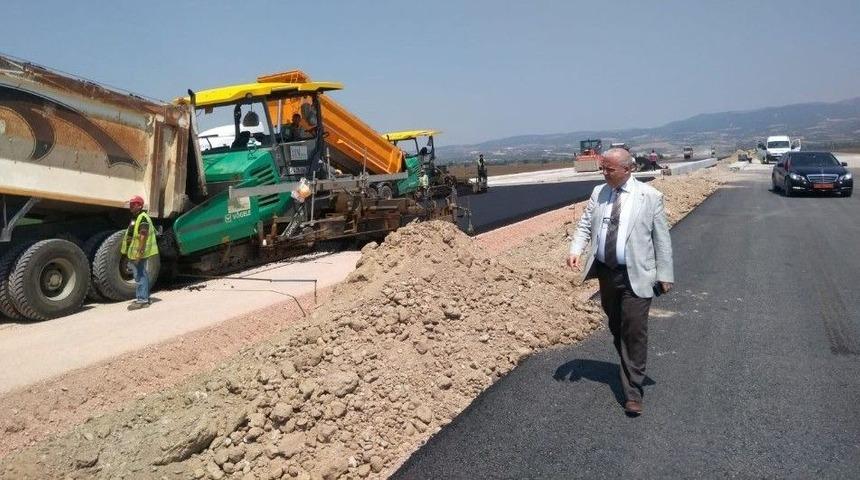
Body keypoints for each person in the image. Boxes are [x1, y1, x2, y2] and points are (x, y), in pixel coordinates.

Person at [567, 148, 674, 416]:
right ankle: (629, 362)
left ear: (628, 170)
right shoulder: (598, 193)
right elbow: (584, 225)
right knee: (617, 326)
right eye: (602, 168)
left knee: (635, 329)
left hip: (636, 274)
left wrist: (665, 274)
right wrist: (575, 250)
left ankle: (633, 391)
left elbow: (662, 239)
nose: (604, 173)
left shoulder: (649, 197)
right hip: (607, 273)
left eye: (609, 169)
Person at [121, 196, 159, 309]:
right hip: (134, 253)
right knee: (141, 274)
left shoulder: (142, 218)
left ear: (140, 205)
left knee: (140, 275)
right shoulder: (135, 218)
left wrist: (139, 253)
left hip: (139, 253)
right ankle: (144, 297)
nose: (131, 206)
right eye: (131, 204)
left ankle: (142, 299)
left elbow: (143, 236)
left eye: (133, 204)